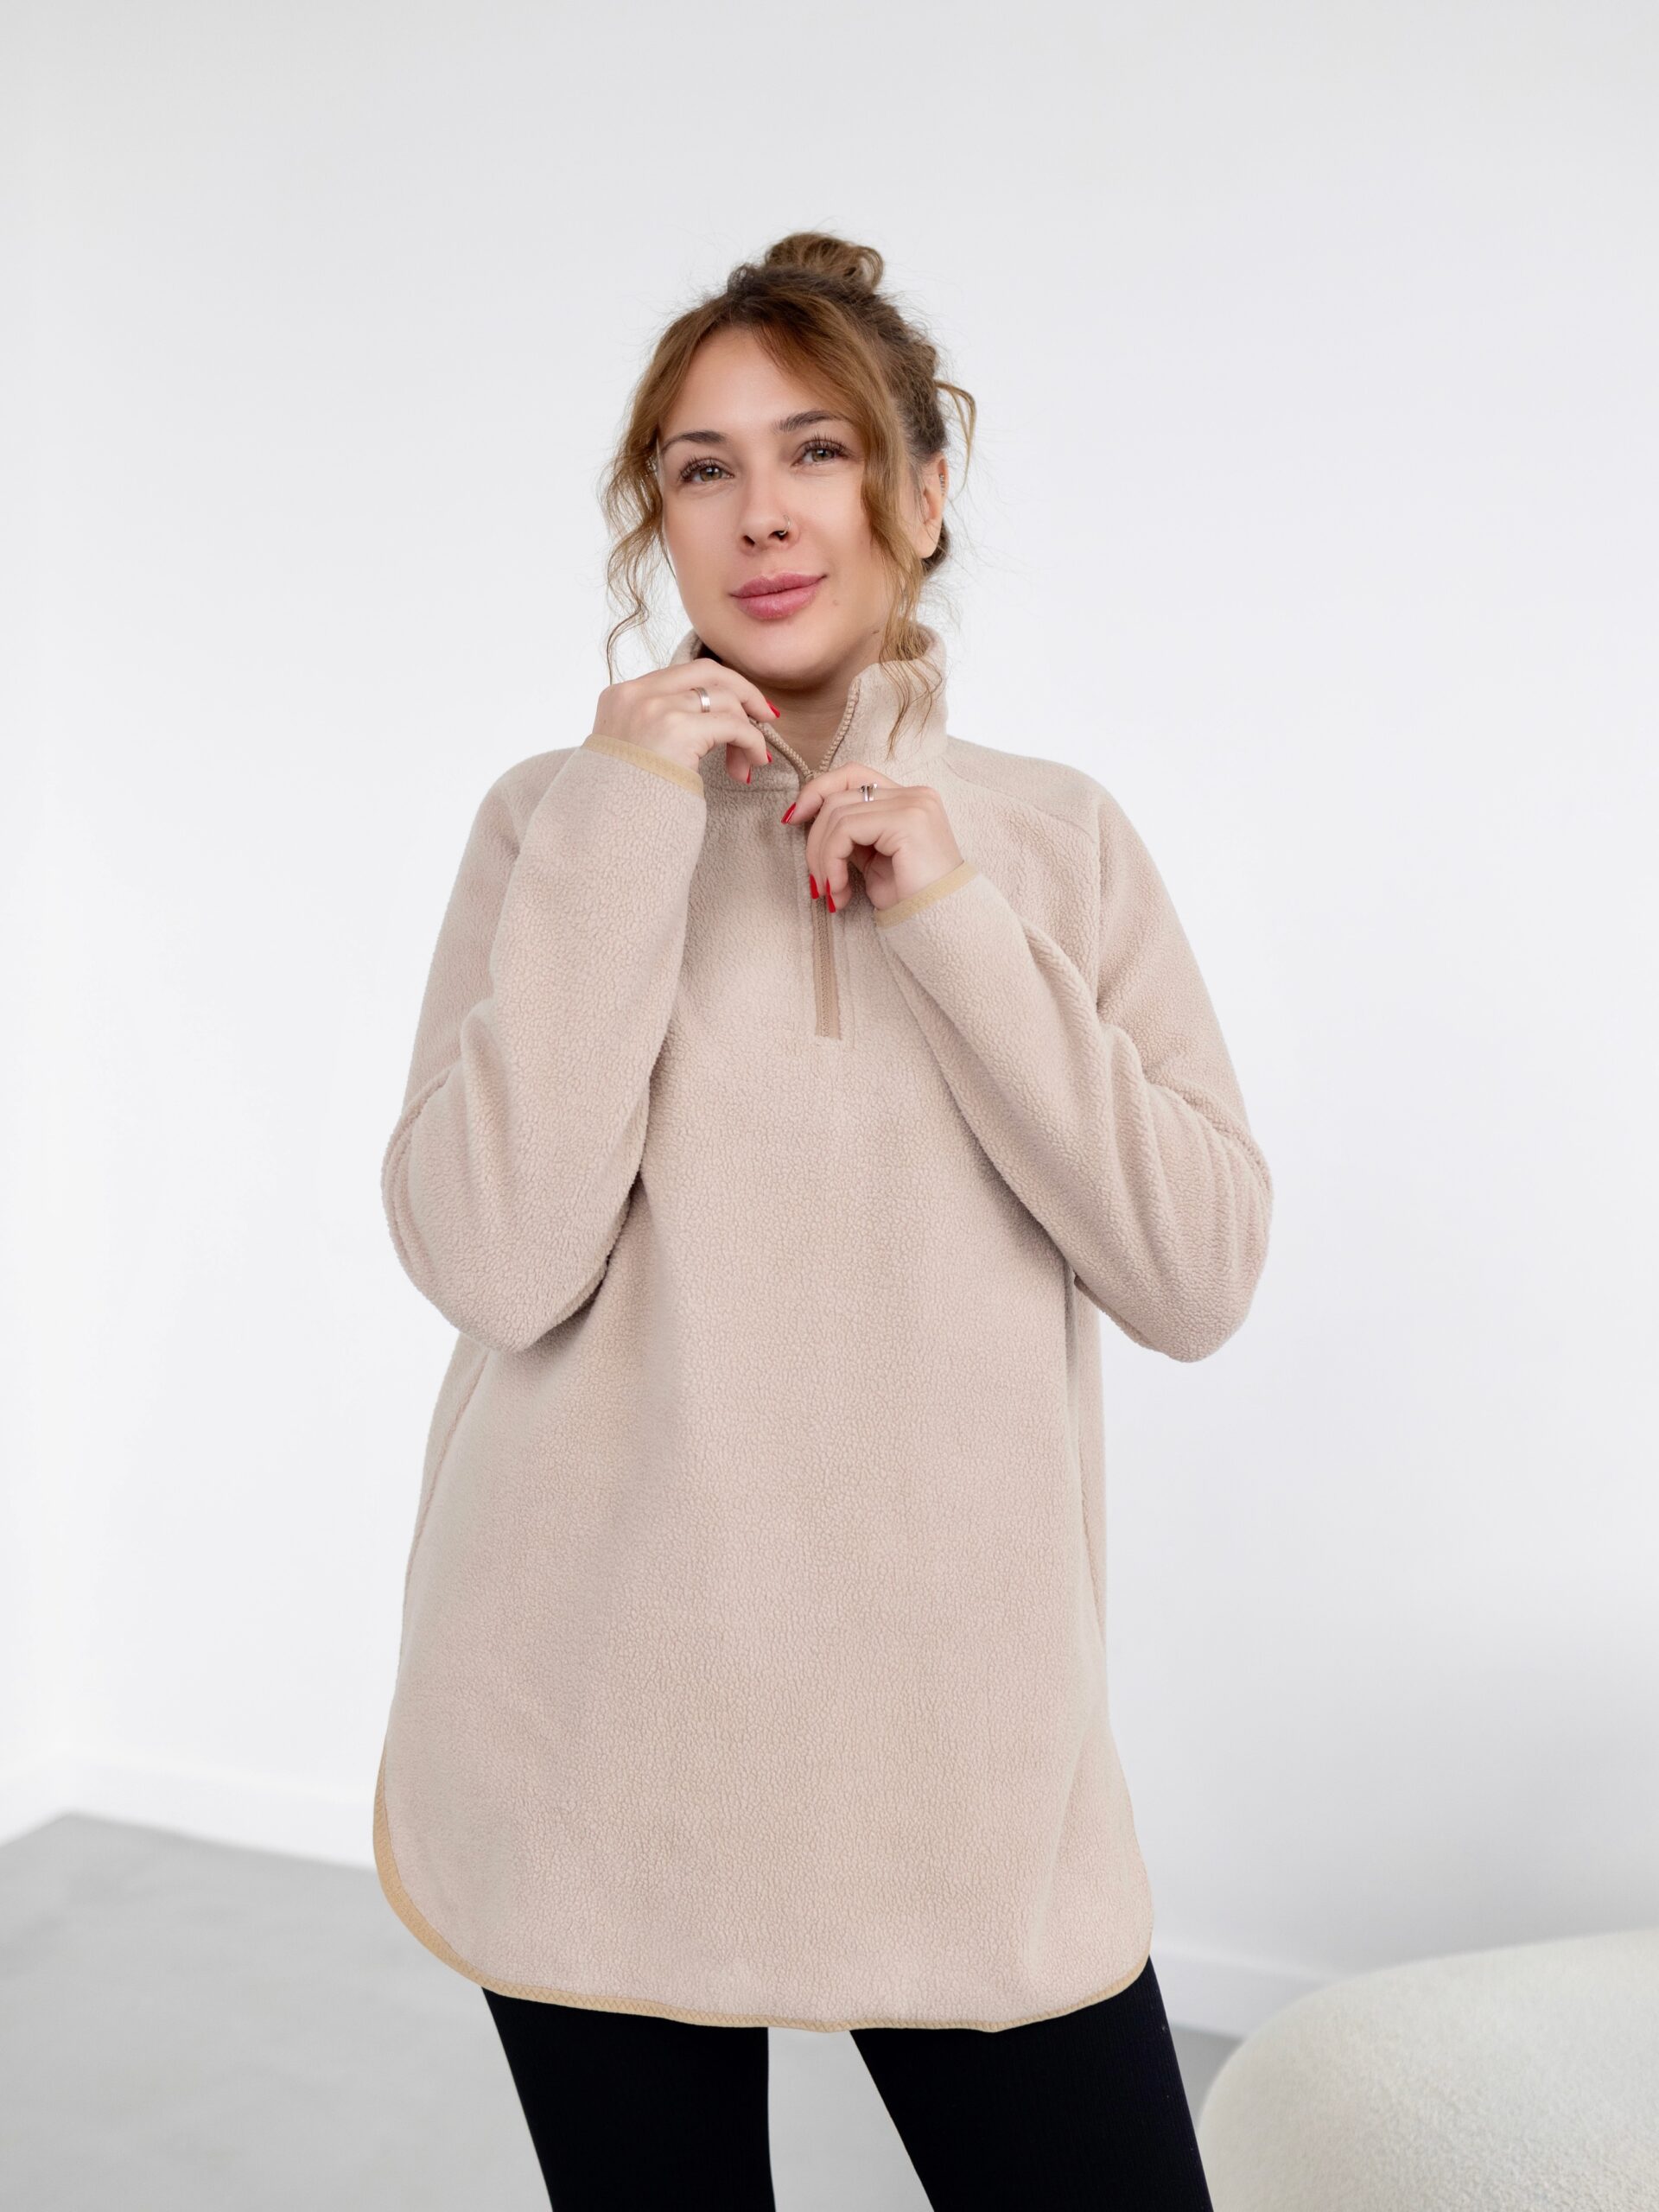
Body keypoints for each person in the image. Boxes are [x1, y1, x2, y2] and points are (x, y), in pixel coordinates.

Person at [372, 231, 1272, 2209]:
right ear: (657, 518)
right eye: (701, 467)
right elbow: (497, 1259)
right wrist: (625, 814)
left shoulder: (1054, 837)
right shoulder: (549, 819)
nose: (762, 513)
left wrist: (949, 913)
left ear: (924, 493)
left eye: (819, 450)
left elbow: (1196, 1270)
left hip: (959, 1756)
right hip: (587, 1723)